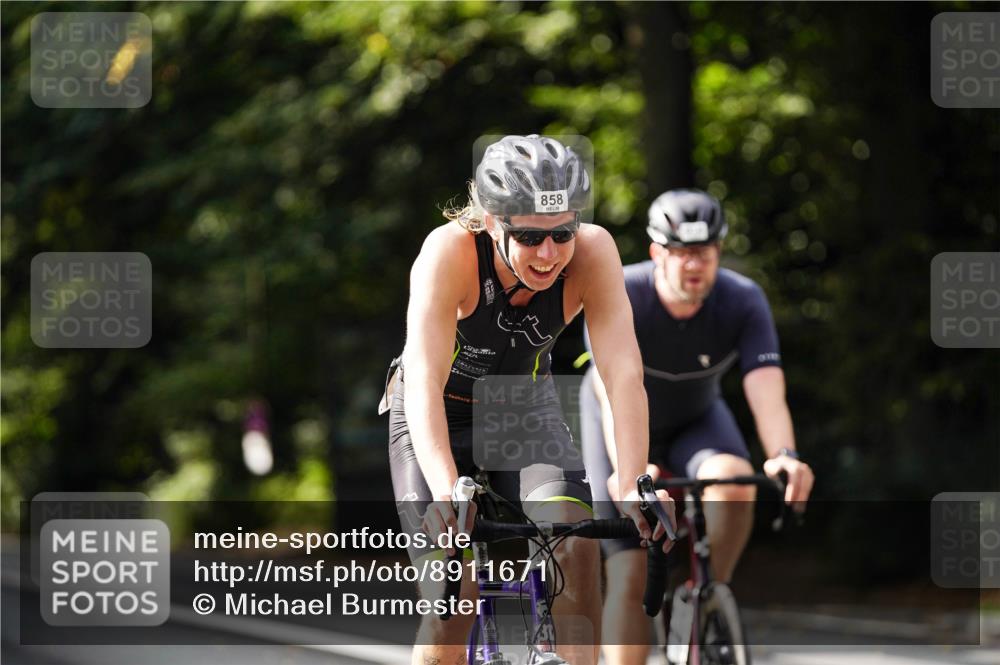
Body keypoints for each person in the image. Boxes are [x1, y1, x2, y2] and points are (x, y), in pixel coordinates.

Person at [384, 135, 674, 665]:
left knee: (576, 542)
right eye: (529, 237)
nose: (548, 254)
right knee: (457, 594)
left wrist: (633, 479)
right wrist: (449, 493)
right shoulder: (447, 252)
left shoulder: (593, 251)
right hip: (433, 415)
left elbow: (622, 373)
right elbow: (423, 380)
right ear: (493, 222)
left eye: (562, 233)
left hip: (518, 409)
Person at [579, 189, 815, 665]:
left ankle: (705, 594)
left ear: (719, 253)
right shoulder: (621, 292)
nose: (694, 265)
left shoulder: (743, 301)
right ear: (656, 253)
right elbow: (612, 390)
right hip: (619, 423)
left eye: (703, 252)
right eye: (682, 252)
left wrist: (785, 455)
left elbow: (767, 390)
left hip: (696, 420)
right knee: (631, 572)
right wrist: (630, 468)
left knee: (733, 482)